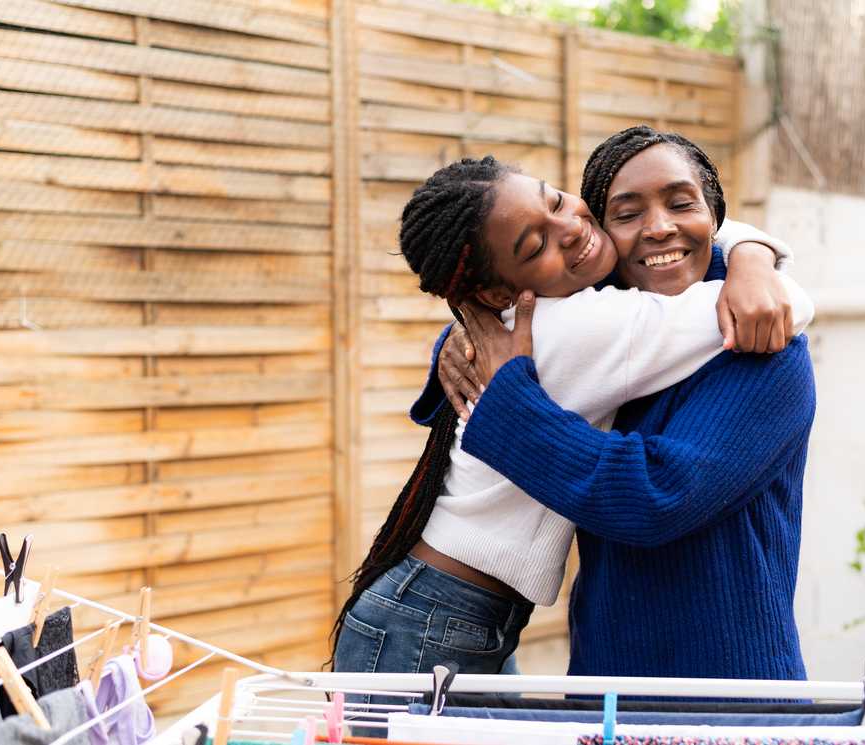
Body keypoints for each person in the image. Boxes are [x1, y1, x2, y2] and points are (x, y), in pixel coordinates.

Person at [332, 149, 810, 683]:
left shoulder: (538, 319)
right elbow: (780, 301)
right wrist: (753, 259)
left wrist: (747, 249)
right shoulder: (586, 325)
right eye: (536, 244)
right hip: (438, 618)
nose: (569, 227)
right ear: (494, 293)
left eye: (557, 200)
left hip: (445, 609)